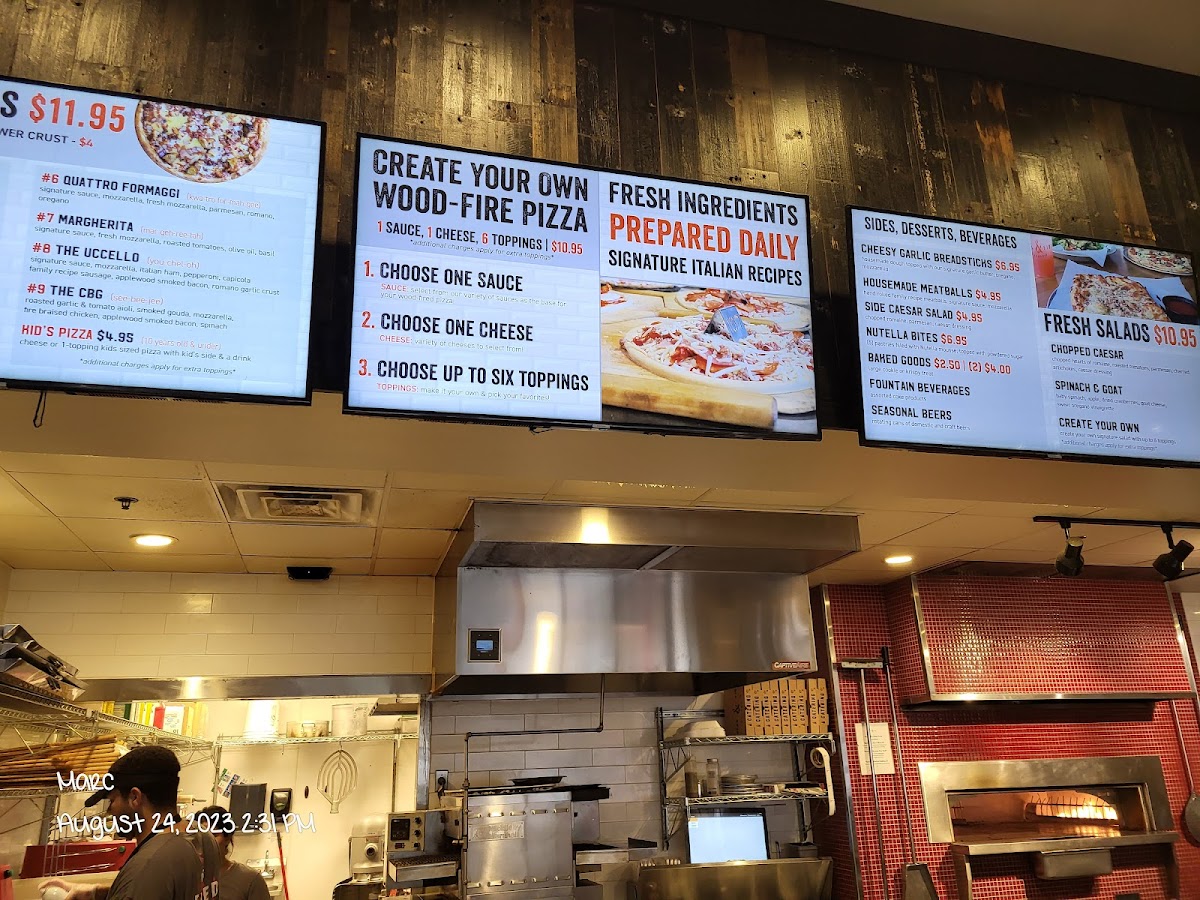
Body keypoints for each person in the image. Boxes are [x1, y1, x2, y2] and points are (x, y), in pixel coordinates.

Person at [40, 744, 221, 900]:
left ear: (135, 797)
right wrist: (95, 892)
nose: (110, 810)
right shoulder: (204, 837)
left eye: (112, 800)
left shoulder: (147, 865)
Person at [195, 805, 272, 900]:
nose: (205, 842)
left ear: (227, 837)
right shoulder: (188, 879)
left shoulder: (250, 880)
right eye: (199, 836)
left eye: (214, 835)